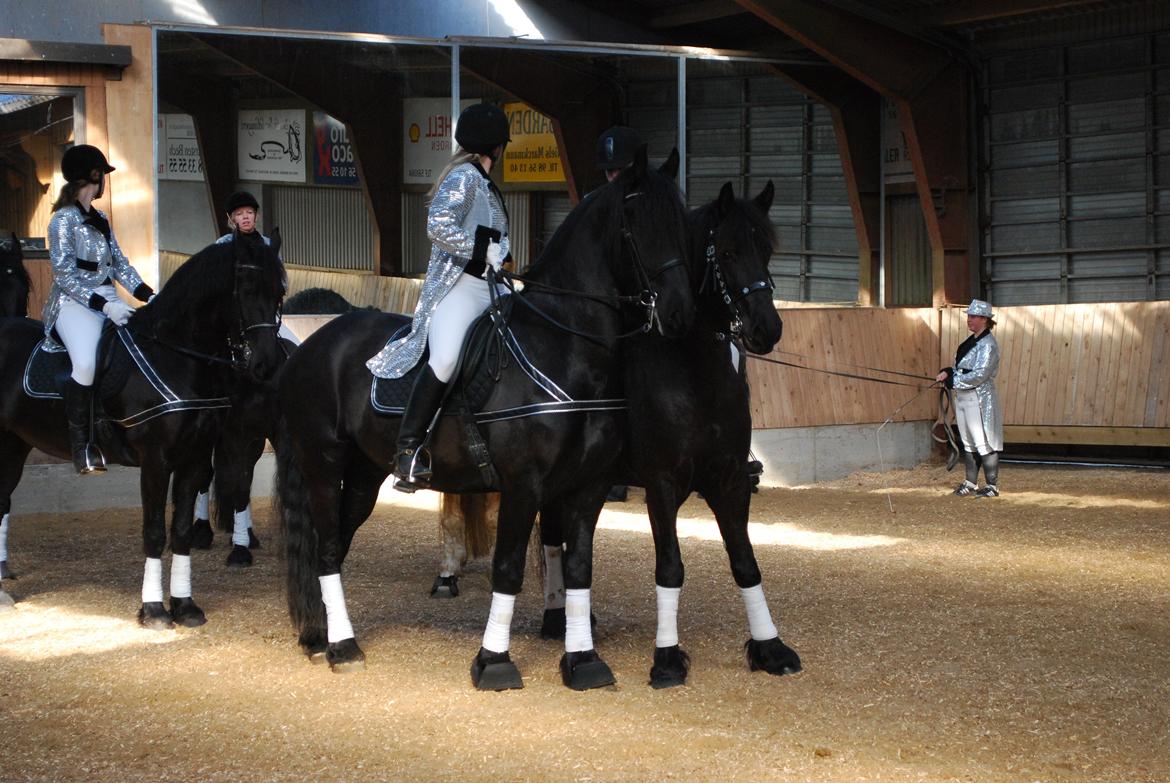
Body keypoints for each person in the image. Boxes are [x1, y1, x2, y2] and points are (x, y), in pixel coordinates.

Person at [366, 103, 512, 492]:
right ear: (496, 147)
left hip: (491, 287)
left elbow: (497, 236)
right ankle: (408, 449)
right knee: (445, 357)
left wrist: (505, 259)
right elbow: (438, 226)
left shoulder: (486, 185)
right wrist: (481, 252)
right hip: (459, 289)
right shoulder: (463, 177)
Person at [44, 144, 154, 474]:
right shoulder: (62, 220)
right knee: (87, 362)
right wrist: (104, 306)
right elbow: (63, 275)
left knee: (139, 350)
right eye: (102, 174)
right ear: (94, 176)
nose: (104, 180)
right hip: (72, 304)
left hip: (107, 298)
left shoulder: (101, 218)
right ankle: (82, 446)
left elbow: (119, 263)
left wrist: (148, 294)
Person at [937, 299, 1003, 497]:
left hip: (978, 397)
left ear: (984, 319)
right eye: (969, 316)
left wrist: (954, 382)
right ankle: (970, 482)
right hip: (964, 396)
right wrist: (950, 372)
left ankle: (992, 485)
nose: (969, 319)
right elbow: (963, 368)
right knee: (968, 440)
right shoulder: (972, 341)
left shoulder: (988, 345)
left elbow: (980, 374)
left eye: (973, 316)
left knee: (983, 440)